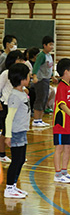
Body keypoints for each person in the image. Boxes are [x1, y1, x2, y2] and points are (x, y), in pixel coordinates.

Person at [3, 63, 31, 198]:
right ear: (22, 79)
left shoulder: (21, 92)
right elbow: (9, 117)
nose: (30, 77)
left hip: (22, 131)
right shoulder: (14, 96)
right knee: (16, 160)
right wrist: (8, 136)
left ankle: (13, 186)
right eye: (28, 76)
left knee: (21, 160)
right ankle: (9, 188)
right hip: (16, 133)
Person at [53, 58, 70, 183]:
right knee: (59, 148)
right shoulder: (61, 87)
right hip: (61, 124)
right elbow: (62, 105)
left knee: (68, 147)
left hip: (69, 124)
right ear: (66, 72)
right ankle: (57, 174)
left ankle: (64, 171)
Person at [0, 50, 25, 164]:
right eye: (19, 59)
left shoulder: (19, 74)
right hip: (6, 104)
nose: (21, 61)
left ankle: (17, 154)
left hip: (16, 105)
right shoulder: (6, 73)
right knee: (6, 131)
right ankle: (2, 154)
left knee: (16, 130)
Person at [32, 36, 57, 127]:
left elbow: (49, 68)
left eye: (52, 45)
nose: (51, 47)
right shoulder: (41, 55)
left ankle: (40, 119)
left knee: (44, 99)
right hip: (41, 80)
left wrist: (52, 77)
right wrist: (34, 76)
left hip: (46, 80)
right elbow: (36, 66)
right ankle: (36, 119)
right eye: (50, 45)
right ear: (44, 45)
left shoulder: (49, 55)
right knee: (40, 99)